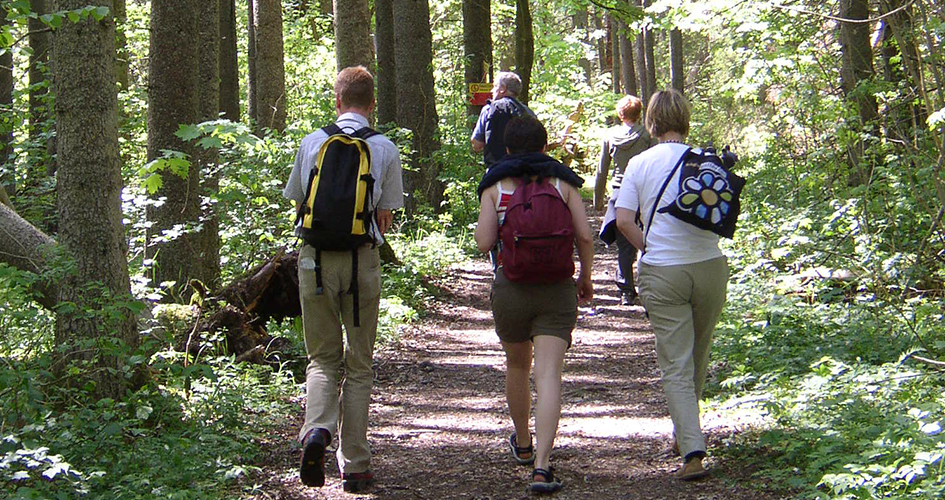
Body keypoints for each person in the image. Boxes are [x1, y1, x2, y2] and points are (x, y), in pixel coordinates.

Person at [283, 66, 404, 493]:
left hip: (313, 260)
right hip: (361, 262)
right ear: (372, 104)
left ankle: (316, 430)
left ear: (337, 100)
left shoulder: (313, 142)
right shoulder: (385, 148)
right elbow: (385, 215)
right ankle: (355, 465)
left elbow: (297, 199)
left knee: (321, 358)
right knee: (359, 363)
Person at [614, 89, 729, 481]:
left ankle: (693, 451)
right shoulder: (708, 161)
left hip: (664, 272)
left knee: (676, 363)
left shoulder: (640, 163)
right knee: (697, 354)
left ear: (652, 122)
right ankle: (685, 435)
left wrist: (651, 247)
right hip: (712, 267)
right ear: (686, 119)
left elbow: (625, 220)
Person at [474, 116, 593, 493]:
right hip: (557, 288)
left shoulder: (495, 185)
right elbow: (586, 237)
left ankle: (523, 443)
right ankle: (542, 466)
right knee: (549, 374)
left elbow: (482, 242)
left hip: (512, 287)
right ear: (545, 146)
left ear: (506, 148)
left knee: (516, 364)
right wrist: (585, 278)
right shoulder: (564, 183)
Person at [595, 95, 656, 305]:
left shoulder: (610, 136)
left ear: (620, 114)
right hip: (645, 191)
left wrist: (598, 200)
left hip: (620, 192)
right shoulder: (648, 136)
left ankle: (626, 290)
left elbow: (602, 170)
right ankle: (649, 285)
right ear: (639, 114)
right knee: (647, 238)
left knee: (625, 243)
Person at [471, 71, 536, 169]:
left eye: (495, 86)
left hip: (498, 171)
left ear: (502, 89)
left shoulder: (490, 109)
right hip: (526, 171)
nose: (492, 90)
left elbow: (477, 144)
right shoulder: (529, 113)